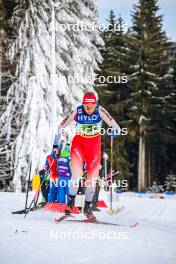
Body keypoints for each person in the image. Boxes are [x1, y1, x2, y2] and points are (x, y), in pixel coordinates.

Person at [54, 91, 121, 220]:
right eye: (86, 107)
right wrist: (55, 146)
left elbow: (116, 126)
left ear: (95, 104)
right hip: (79, 144)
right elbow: (60, 127)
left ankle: (88, 208)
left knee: (92, 180)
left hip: (94, 146)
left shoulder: (100, 111)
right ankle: (69, 205)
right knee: (76, 175)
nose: (89, 110)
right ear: (83, 105)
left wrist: (114, 131)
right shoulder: (77, 112)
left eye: (92, 107)